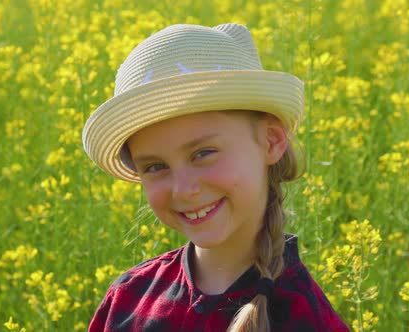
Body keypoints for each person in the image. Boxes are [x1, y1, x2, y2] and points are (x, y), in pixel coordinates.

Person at [82, 23, 349, 332]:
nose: (184, 189)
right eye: (155, 167)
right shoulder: (129, 299)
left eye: (203, 153)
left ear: (271, 141)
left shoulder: (305, 319)